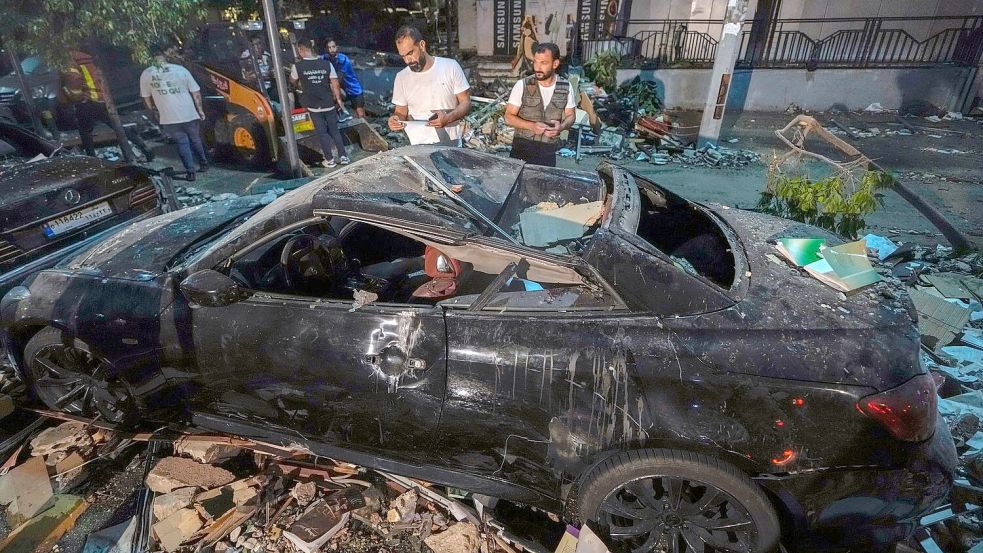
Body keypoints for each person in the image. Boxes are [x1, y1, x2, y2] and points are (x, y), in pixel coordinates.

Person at [59, 51, 154, 161]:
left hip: (86, 100)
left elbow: (74, 81)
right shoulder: (88, 58)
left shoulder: (69, 62)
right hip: (100, 98)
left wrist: (76, 97)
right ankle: (144, 147)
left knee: (85, 132)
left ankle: (93, 160)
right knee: (116, 125)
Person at [387, 27, 471, 146]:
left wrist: (448, 118)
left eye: (410, 53)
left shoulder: (450, 67)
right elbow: (401, 112)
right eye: (403, 56)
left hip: (451, 145)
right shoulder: (401, 77)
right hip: (418, 148)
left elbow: (466, 103)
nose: (407, 60)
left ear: (422, 45)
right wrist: (395, 119)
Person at [139, 43, 208, 181]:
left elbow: (146, 98)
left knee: (182, 142)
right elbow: (195, 91)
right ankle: (203, 163)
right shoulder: (180, 70)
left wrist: (154, 113)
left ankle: (190, 172)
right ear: (164, 56)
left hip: (169, 116)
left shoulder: (146, 74)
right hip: (189, 112)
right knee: (195, 139)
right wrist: (200, 110)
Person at [503, 43, 575, 167]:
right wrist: (531, 126)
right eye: (535, 62)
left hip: (547, 154)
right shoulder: (522, 85)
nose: (537, 67)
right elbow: (508, 117)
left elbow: (571, 116)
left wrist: (561, 127)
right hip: (521, 152)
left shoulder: (566, 87)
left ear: (555, 64)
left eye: (543, 63)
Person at [290, 40, 349, 167]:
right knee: (335, 131)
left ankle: (330, 160)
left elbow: (292, 81)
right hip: (329, 104)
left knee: (322, 133)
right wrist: (339, 100)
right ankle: (344, 157)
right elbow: (335, 83)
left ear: (301, 50)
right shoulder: (326, 64)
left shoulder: (297, 67)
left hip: (313, 106)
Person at [323, 38, 365, 120]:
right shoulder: (325, 58)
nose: (331, 49)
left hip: (353, 89)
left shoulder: (343, 59)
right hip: (342, 90)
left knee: (360, 114)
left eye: (333, 47)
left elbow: (338, 80)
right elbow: (314, 58)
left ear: (337, 47)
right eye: (329, 47)